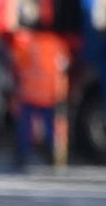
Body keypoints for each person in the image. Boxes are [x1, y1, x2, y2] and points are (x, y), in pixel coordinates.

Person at [9, 28, 71, 167]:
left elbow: (18, 64)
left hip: (30, 94)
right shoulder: (57, 44)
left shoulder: (30, 44)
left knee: (25, 126)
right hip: (50, 94)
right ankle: (52, 155)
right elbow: (64, 66)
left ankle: (22, 154)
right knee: (51, 126)